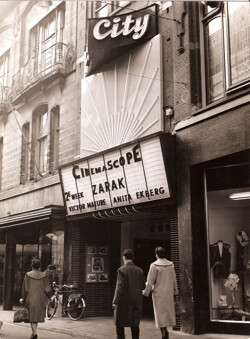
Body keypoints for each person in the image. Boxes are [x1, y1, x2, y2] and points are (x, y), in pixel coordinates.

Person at [143, 247, 178, 339]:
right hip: (168, 293)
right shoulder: (171, 265)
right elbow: (174, 279)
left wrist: (146, 292)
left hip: (158, 294)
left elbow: (150, 281)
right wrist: (175, 291)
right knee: (166, 314)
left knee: (160, 315)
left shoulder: (154, 265)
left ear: (156, 254)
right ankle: (164, 332)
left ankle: (163, 333)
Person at [112, 248, 145, 339]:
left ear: (124, 257)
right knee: (135, 325)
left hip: (124, 302)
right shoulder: (140, 270)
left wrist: (115, 301)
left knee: (120, 325)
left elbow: (119, 287)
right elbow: (143, 285)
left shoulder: (121, 270)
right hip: (136, 301)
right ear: (132, 257)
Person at [20, 258, 52, 339]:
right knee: (36, 316)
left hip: (30, 298)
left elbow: (25, 288)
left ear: (32, 266)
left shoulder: (27, 275)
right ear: (39, 266)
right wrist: (50, 296)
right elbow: (48, 288)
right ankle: (34, 332)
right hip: (40, 298)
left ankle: (34, 332)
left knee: (31, 316)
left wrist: (22, 298)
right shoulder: (44, 276)